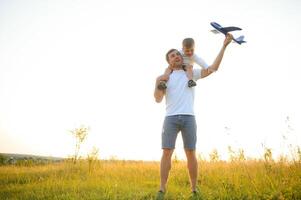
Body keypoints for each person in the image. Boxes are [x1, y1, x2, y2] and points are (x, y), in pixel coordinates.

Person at [154, 33, 233, 197]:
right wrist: (157, 83)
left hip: (189, 117)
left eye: (177, 54)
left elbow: (213, 68)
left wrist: (224, 46)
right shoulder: (165, 77)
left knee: (191, 152)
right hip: (170, 118)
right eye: (172, 56)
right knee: (166, 152)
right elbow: (158, 99)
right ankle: (162, 188)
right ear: (168, 61)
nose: (176, 56)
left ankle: (194, 189)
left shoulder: (191, 72)